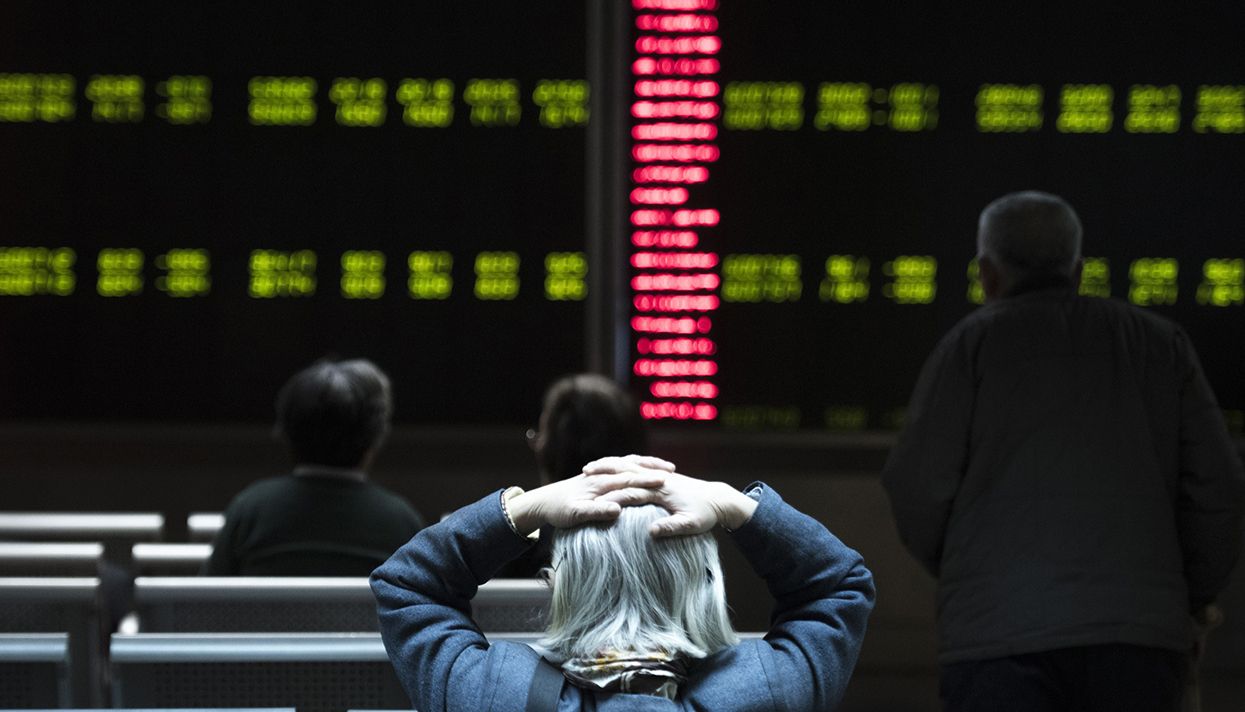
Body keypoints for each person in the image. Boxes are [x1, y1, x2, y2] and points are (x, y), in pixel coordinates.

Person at [881, 191, 1245, 711]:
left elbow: (916, 488)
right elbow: (1218, 489)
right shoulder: (1162, 345)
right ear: (1078, 270)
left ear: (987, 274)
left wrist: (969, 569)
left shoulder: (968, 347)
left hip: (996, 639)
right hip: (1140, 641)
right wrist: (1188, 597)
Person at [371, 454, 875, 711]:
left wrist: (526, 507)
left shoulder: (496, 695)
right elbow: (838, 585)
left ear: (559, 584)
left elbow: (409, 587)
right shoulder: (766, 691)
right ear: (705, 583)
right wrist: (733, 504)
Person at [204, 358, 424, 576]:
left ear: (286, 432)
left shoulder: (249, 511)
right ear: (374, 439)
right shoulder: (402, 522)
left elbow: (208, 592)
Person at [499, 373, 647, 578]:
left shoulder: (515, 551)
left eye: (539, 436)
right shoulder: (665, 536)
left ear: (553, 451)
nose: (537, 446)